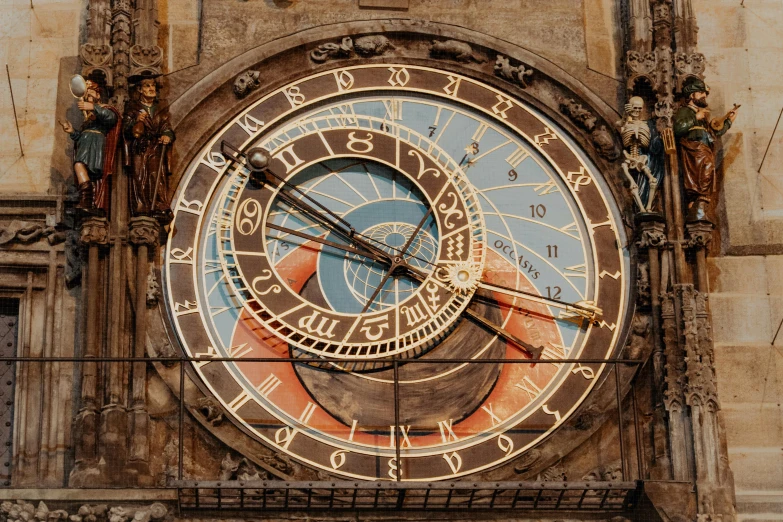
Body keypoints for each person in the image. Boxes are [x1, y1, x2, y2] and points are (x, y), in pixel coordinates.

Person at [673, 78, 738, 221]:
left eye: (704, 93)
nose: (704, 96)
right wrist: (695, 116)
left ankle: (698, 207)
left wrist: (728, 121)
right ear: (691, 96)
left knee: (707, 173)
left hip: (704, 149)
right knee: (704, 172)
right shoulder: (685, 111)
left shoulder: (703, 116)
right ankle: (696, 205)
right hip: (693, 150)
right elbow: (677, 129)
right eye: (700, 93)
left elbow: (712, 134)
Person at [59, 80, 121, 214]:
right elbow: (81, 135)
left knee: (79, 165)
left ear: (98, 95)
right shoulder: (87, 118)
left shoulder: (105, 109)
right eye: (86, 94)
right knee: (79, 166)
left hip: (96, 142)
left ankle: (87, 199)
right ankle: (86, 199)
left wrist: (93, 108)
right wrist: (72, 132)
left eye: (91, 93)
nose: (88, 96)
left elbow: (112, 118)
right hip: (85, 142)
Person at [124, 73, 175, 222]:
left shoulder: (160, 109)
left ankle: (159, 205)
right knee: (139, 177)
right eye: (147, 86)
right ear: (140, 90)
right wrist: (135, 122)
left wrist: (167, 135)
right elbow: (126, 129)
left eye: (153, 86)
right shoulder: (133, 109)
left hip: (156, 147)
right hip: (139, 147)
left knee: (155, 176)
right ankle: (142, 207)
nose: (151, 88)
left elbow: (167, 127)